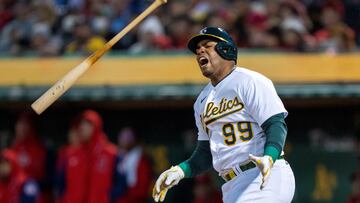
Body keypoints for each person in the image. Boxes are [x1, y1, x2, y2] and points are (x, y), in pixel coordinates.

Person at [152, 27, 295, 203]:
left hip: (265, 175)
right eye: (197, 50)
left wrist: (269, 157)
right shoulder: (202, 101)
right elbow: (206, 152)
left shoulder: (249, 80)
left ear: (225, 49)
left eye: (207, 46)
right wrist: (180, 171)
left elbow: (275, 123)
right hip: (232, 184)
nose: (200, 52)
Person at [58, 110, 117, 203]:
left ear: (96, 127)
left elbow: (121, 183)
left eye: (87, 125)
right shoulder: (70, 154)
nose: (82, 128)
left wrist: (108, 197)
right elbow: (60, 182)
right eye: (81, 125)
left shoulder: (111, 153)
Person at [111, 127, 153, 203]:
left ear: (134, 139)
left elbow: (142, 191)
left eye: (128, 137)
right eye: (122, 137)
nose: (125, 140)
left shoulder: (141, 160)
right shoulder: (117, 157)